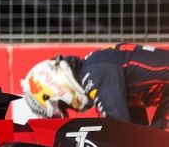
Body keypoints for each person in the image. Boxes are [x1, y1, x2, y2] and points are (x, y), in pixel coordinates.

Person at [18, 44, 169, 130]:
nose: (72, 109)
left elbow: (123, 132)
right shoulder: (93, 67)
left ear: (57, 90)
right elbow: (139, 136)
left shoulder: (93, 75)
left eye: (63, 107)